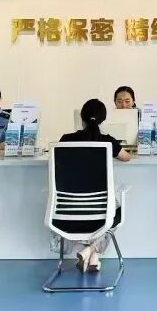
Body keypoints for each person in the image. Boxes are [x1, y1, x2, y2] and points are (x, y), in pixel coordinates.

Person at [57, 99, 132, 272]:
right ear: (103, 120)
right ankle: (91, 251)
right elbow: (127, 157)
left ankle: (92, 256)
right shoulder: (108, 142)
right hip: (99, 214)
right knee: (115, 212)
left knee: (97, 213)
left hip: (67, 212)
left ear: (81, 118)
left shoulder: (65, 140)